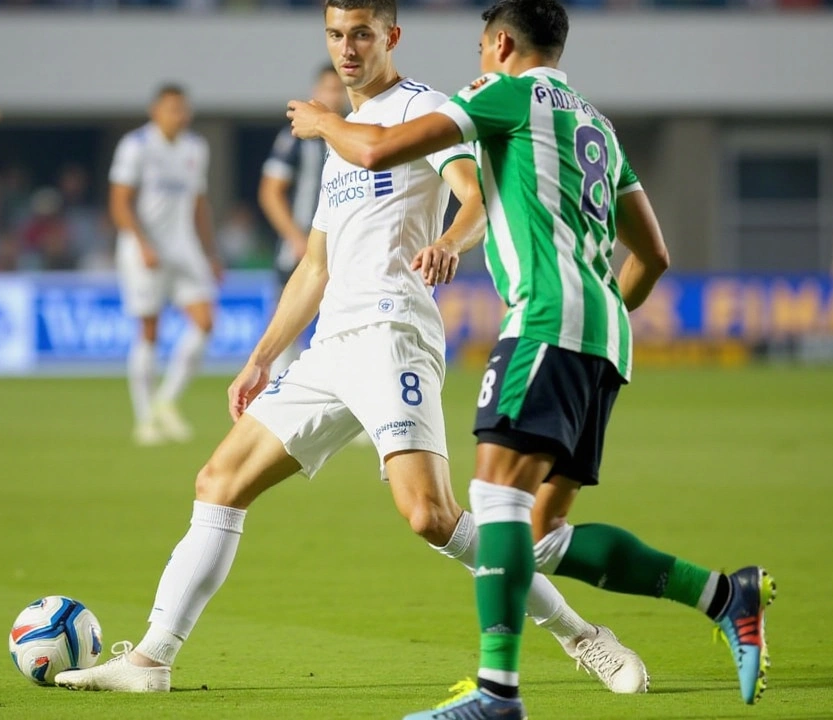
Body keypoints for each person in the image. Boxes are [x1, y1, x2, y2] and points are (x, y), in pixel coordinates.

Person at [55, 0, 648, 697]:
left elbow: (477, 197)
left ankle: (583, 636)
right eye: (336, 34)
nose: (347, 48)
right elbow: (315, 265)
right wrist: (261, 356)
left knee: (430, 516)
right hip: (331, 344)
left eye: (362, 34)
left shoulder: (424, 108)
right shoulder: (337, 145)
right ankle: (152, 659)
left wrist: (449, 244)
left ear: (391, 36)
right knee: (219, 482)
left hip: (394, 333)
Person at [287, 0, 773, 716]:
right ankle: (727, 596)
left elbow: (374, 150)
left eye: (483, 49)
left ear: (501, 43)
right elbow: (656, 256)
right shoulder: (597, 125)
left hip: (545, 320)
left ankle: (497, 695)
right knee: (539, 534)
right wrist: (599, 315)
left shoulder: (502, 94)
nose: (478, 63)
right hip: (606, 336)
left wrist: (323, 120)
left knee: (494, 502)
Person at [109, 83, 225, 446]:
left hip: (184, 247)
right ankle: (144, 419)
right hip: (145, 249)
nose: (180, 115)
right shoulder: (136, 146)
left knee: (206, 322)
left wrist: (210, 251)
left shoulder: (195, 147)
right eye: (173, 108)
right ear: (155, 111)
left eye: (184, 109)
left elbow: (198, 203)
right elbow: (120, 201)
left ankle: (165, 402)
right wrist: (140, 243)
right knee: (150, 330)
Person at [259, 64, 348, 378]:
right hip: (300, 247)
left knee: (344, 325)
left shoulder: (354, 132)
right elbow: (270, 192)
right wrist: (296, 238)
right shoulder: (296, 135)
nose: (334, 95)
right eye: (328, 88)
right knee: (286, 323)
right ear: (316, 93)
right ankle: (274, 403)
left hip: (345, 247)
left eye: (339, 89)